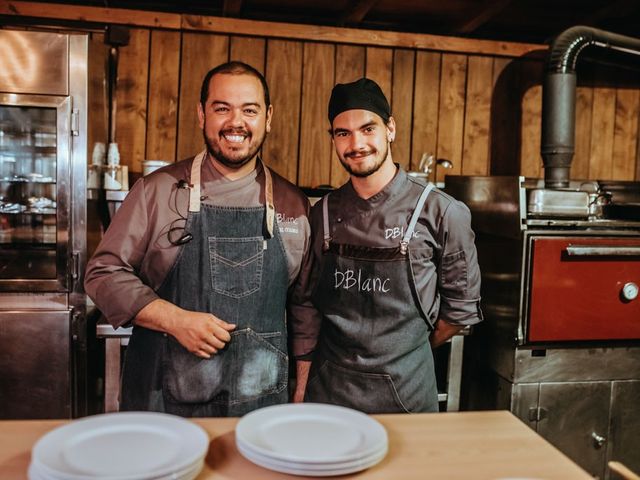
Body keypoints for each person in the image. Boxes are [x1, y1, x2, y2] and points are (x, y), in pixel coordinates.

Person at [85, 61, 311, 417]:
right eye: (222, 108)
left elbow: (303, 307)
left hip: (261, 405)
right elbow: (103, 273)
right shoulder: (156, 192)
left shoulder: (293, 204)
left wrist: (301, 390)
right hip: (165, 403)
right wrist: (174, 320)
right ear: (201, 114)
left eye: (249, 110)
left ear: (268, 117)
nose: (236, 122)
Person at [291, 78, 483, 413]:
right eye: (343, 133)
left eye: (368, 129)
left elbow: (458, 313)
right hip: (329, 395)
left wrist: (402, 352)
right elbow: (307, 303)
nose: (357, 143)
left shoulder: (443, 213)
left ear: (390, 128)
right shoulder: (320, 213)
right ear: (333, 139)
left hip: (406, 396)